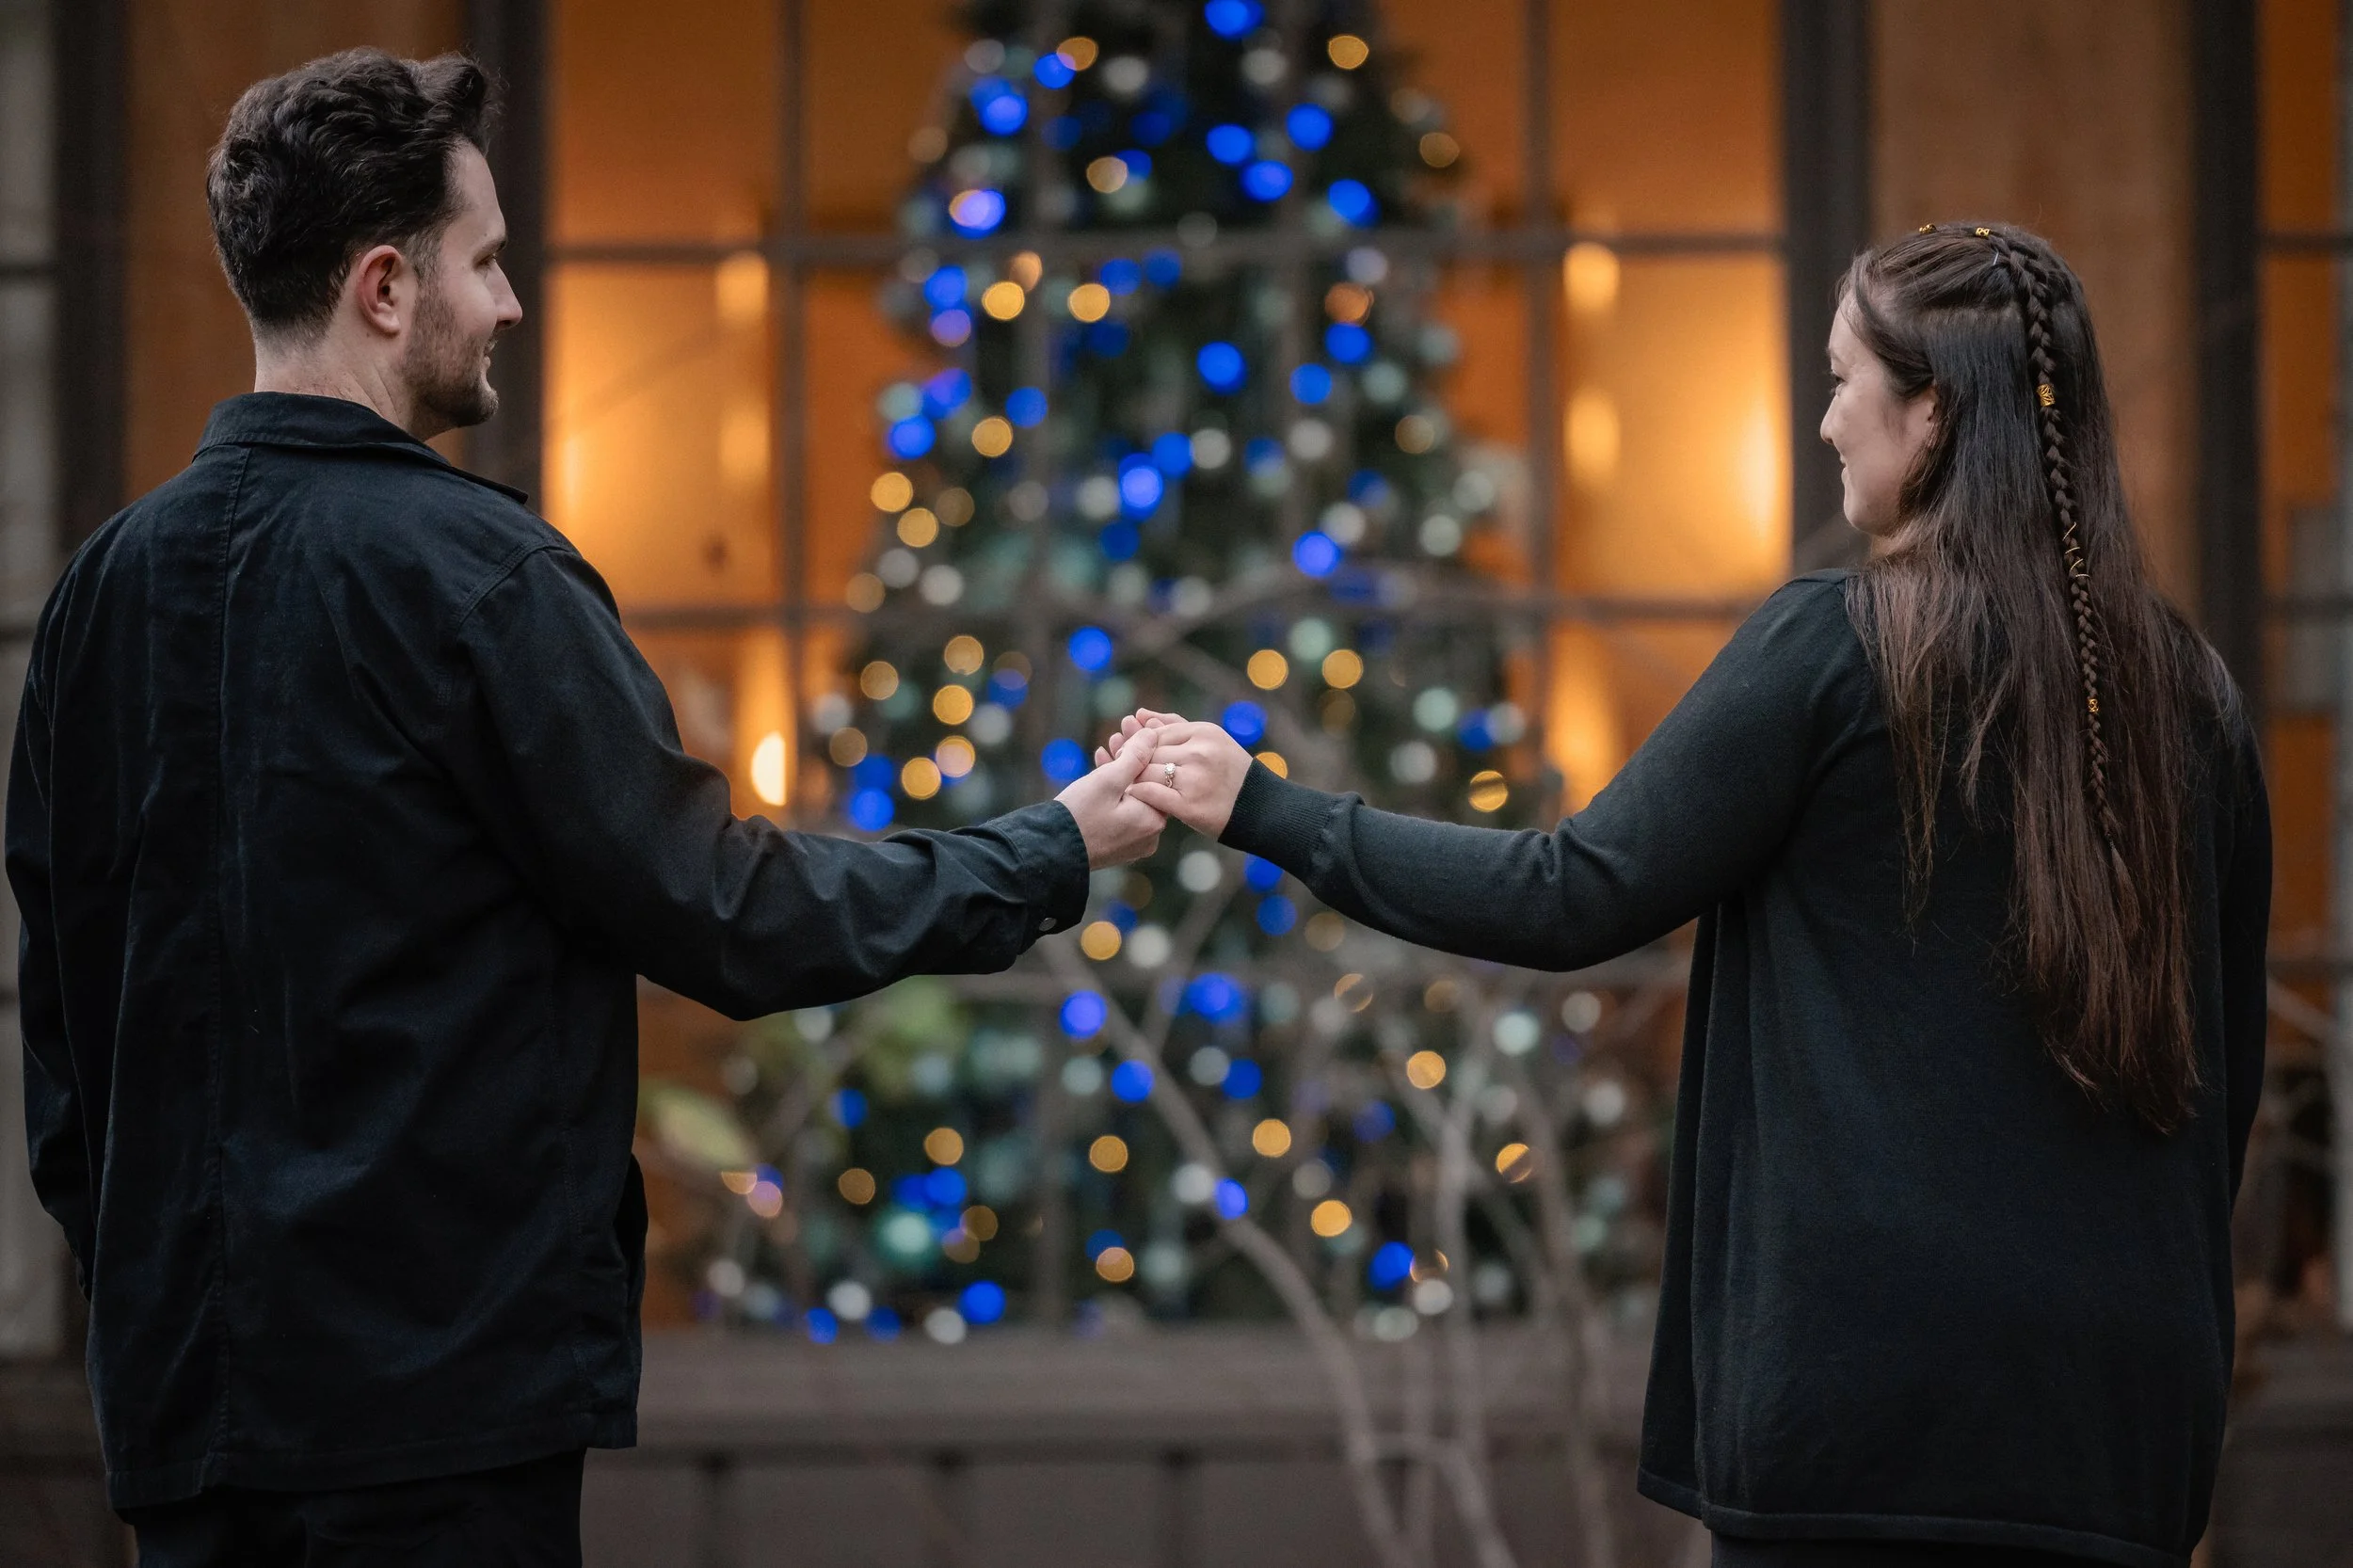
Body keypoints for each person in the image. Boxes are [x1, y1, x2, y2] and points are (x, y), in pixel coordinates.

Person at [6, 49, 1164, 1567]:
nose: (509, 301)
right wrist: (1056, 842)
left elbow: (63, 1045)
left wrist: (164, 1283)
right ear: (380, 286)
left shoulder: (95, 597)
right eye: (483, 261)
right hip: (443, 1426)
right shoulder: (484, 580)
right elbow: (730, 912)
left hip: (184, 1430)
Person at [1108, 223, 2268, 1568]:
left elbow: (1571, 892)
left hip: (1860, 1414)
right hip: (2119, 1427)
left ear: (1933, 408)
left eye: (1844, 380)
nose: (1829, 421)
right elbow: (2219, 1083)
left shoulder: (1834, 651)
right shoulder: (2194, 693)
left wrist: (1265, 805)